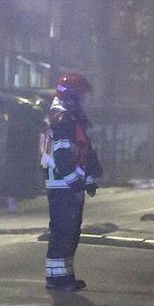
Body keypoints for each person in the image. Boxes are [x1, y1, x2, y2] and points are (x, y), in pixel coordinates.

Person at [42, 72, 102, 293]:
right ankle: (56, 279)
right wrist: (77, 184)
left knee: (70, 232)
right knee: (63, 231)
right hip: (61, 185)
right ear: (73, 96)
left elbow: (82, 152)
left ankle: (65, 275)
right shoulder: (63, 120)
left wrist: (90, 177)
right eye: (82, 95)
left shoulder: (69, 117)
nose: (85, 100)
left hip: (66, 184)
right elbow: (64, 157)